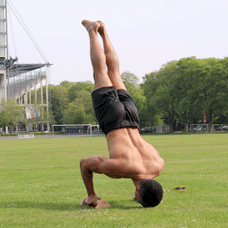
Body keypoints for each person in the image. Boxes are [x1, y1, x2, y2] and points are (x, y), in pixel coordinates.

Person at [80, 20, 164, 208]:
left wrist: (141, 188)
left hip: (132, 117)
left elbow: (142, 173)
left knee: (115, 72)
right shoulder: (121, 169)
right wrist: (92, 195)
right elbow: (85, 163)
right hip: (112, 118)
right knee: (100, 71)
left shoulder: (158, 165)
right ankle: (92, 31)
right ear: (137, 192)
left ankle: (103, 32)